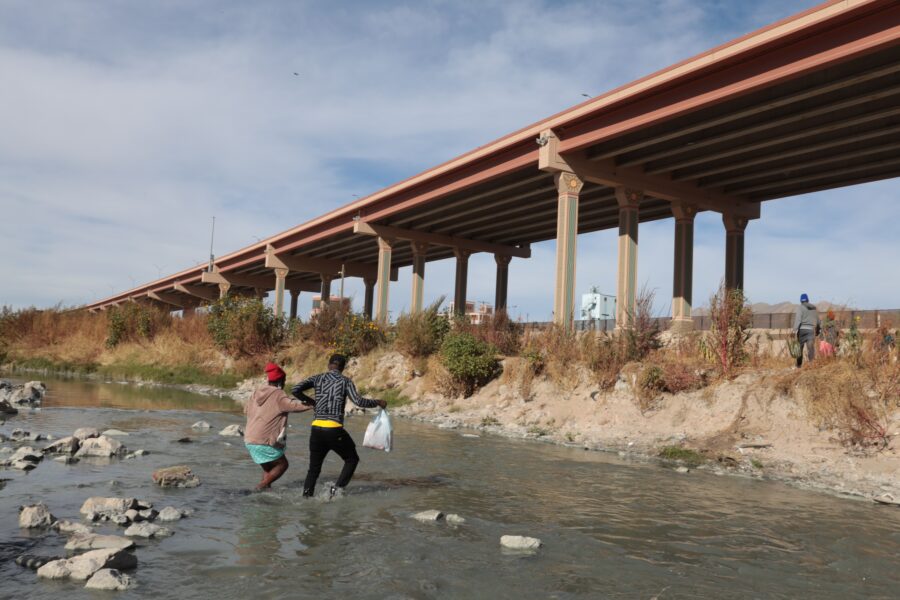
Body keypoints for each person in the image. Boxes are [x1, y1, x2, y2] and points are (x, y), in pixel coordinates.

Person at [292, 353, 386, 498]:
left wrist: (311, 401)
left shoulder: (317, 378)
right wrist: (378, 402)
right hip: (334, 430)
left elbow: (295, 389)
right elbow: (359, 401)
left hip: (316, 429)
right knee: (352, 459)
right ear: (342, 368)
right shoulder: (345, 381)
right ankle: (335, 492)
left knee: (314, 469)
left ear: (329, 365)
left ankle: (306, 496)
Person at [244, 362, 312, 490]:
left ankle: (265, 493)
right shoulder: (278, 394)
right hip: (263, 441)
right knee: (282, 465)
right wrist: (312, 404)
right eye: (284, 380)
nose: (285, 384)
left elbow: (246, 410)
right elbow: (294, 406)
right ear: (281, 380)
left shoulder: (256, 393)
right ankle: (260, 487)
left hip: (249, 439)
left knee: (269, 468)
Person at [793, 293, 821, 367]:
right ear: (808, 300)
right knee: (810, 348)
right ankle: (811, 365)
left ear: (801, 301)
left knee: (799, 349)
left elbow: (798, 320)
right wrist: (818, 331)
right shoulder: (814, 309)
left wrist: (794, 330)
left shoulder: (800, 307)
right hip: (811, 331)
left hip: (802, 330)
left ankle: (798, 365)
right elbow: (818, 321)